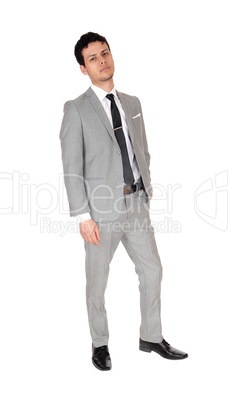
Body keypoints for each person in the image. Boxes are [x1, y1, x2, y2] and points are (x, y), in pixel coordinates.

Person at [59, 32, 188, 371]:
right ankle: (100, 344)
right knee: (98, 281)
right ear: (83, 68)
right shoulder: (76, 109)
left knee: (153, 270)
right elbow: (71, 167)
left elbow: (141, 150)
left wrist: (144, 189)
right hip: (100, 212)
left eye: (105, 53)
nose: (102, 60)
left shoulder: (132, 103)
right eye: (93, 58)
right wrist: (82, 215)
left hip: (137, 205)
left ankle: (152, 336)